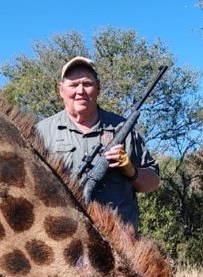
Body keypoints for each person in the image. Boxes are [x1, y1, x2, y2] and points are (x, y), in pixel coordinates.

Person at [35, 56, 160, 229]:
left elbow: (152, 182)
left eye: (87, 84)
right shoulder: (42, 131)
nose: (80, 91)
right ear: (61, 90)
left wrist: (131, 170)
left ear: (98, 88)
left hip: (120, 242)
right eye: (73, 85)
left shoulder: (123, 128)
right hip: (64, 237)